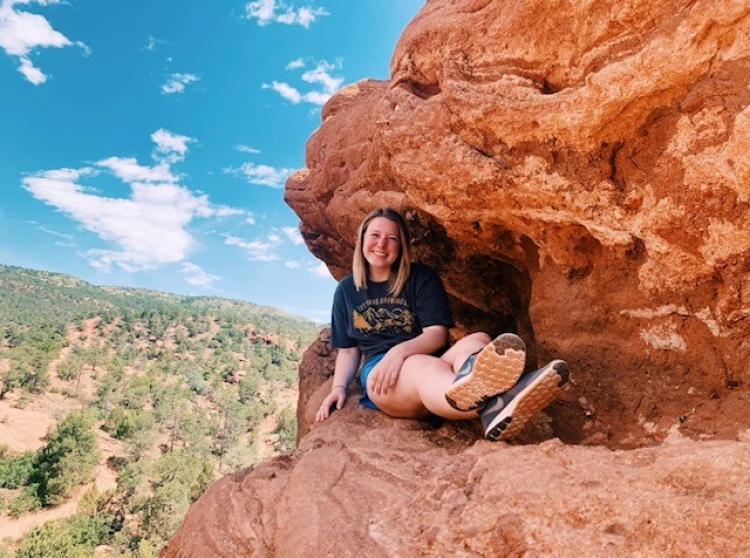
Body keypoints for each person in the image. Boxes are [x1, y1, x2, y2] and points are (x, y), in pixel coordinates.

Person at [315, 207, 569, 441]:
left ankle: (494, 405)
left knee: (478, 339)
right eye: (375, 235)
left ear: (402, 246)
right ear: (361, 240)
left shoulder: (421, 278)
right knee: (421, 367)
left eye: (392, 238)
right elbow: (348, 349)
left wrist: (400, 351)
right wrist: (339, 388)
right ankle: (501, 398)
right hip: (382, 376)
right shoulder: (347, 290)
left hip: (430, 362)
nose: (382, 244)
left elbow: (436, 334)